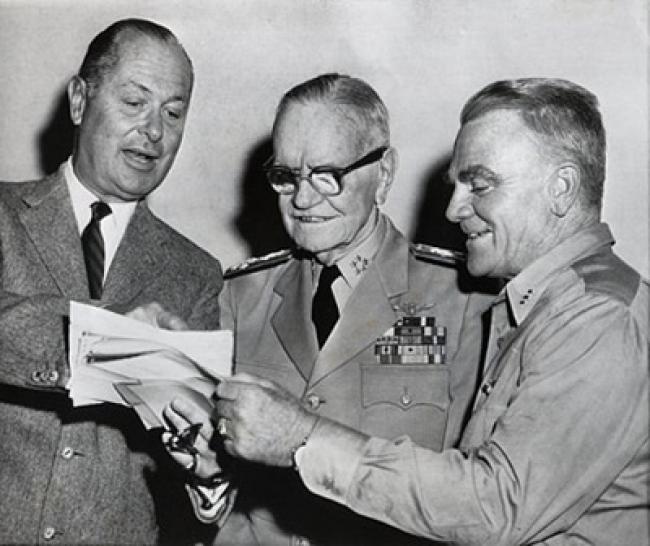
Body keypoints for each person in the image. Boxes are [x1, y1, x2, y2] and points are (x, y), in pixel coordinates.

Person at [206, 78, 649, 545]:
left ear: (561, 188)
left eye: (480, 184)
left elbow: (494, 506)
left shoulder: (598, 316)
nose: (455, 209)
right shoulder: (534, 305)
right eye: (286, 176)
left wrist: (302, 438)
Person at [163, 73, 497, 545]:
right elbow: (222, 496)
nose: (302, 199)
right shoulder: (239, 295)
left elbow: (476, 501)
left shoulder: (465, 301)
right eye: (286, 177)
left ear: (383, 174)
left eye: (328, 176)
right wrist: (208, 476)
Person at [0, 19, 222, 544]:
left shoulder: (198, 275)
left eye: (173, 113)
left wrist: (209, 475)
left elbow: (188, 469)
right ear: (80, 101)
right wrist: (112, 344)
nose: (153, 132)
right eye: (134, 103)